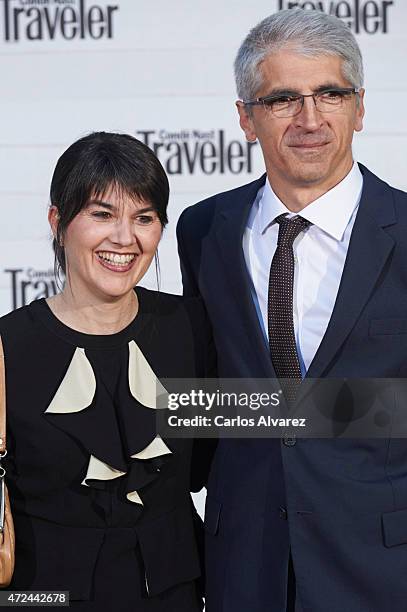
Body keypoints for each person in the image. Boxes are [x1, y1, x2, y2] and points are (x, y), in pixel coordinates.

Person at [177, 8, 407, 612]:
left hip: (380, 566)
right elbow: (208, 394)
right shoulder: (203, 230)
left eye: (329, 94)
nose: (310, 119)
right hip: (242, 566)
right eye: (282, 100)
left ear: (359, 108)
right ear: (246, 119)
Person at [0, 132, 214, 611]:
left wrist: (381, 412)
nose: (124, 238)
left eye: (144, 218)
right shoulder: (7, 347)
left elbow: (231, 452)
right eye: (102, 215)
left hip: (173, 594)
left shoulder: (191, 329)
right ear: (58, 221)